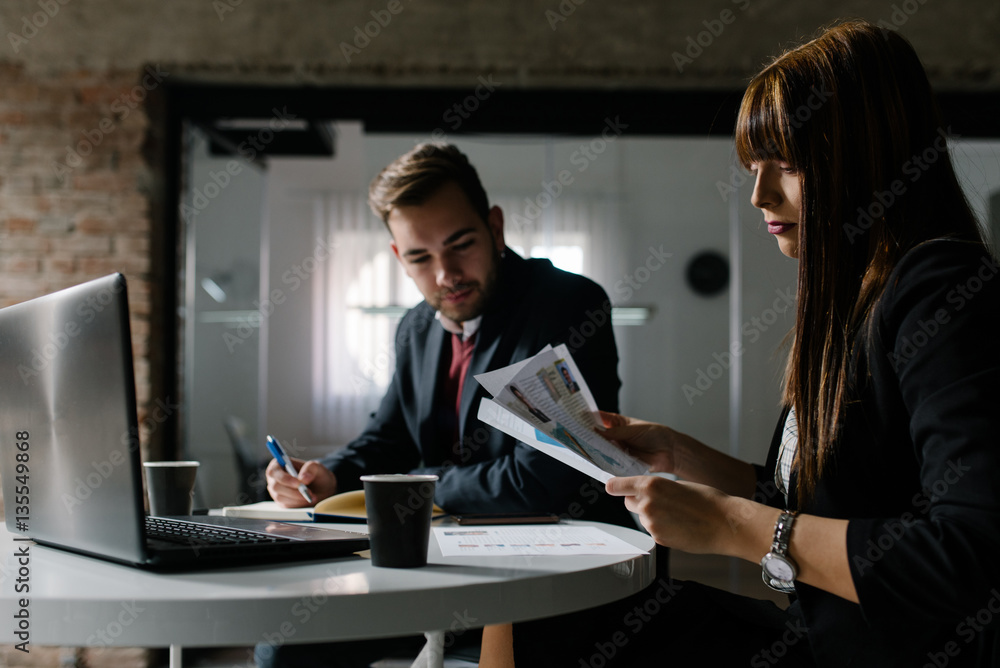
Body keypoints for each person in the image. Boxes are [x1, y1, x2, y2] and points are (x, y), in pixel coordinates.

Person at [508, 19, 1000, 667]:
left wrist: (729, 526)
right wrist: (681, 453)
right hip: (822, 639)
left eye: (787, 166)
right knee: (541, 616)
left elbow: (970, 552)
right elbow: (824, 503)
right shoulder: (858, 301)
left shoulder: (943, 292)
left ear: (867, 158)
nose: (759, 194)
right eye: (753, 168)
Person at [257, 143, 634, 668]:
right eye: (420, 257)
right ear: (397, 257)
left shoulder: (566, 305)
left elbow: (545, 476)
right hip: (437, 566)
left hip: (545, 580)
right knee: (282, 650)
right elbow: (385, 438)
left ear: (495, 228)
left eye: (461, 245)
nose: (445, 275)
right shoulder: (415, 327)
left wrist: (412, 485)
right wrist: (329, 476)